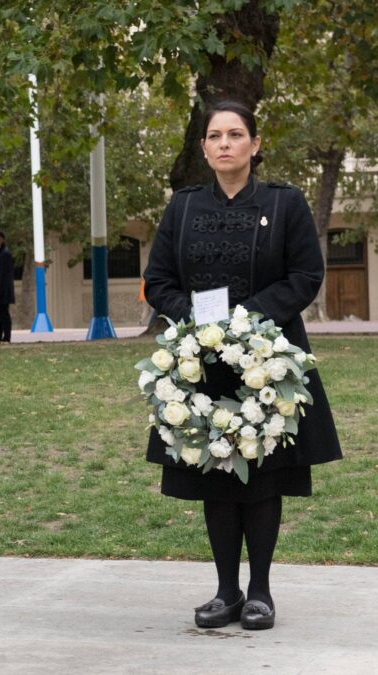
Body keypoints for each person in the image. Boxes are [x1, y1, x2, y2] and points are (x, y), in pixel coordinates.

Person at [143, 100, 342, 631]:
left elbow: (305, 275)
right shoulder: (183, 208)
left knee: (262, 474)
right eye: (215, 136)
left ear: (254, 145)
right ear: (205, 148)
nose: (225, 143)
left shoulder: (285, 204)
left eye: (236, 135)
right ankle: (225, 591)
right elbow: (159, 279)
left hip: (269, 360)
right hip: (200, 364)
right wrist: (199, 328)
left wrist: (246, 323)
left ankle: (260, 592)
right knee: (215, 472)